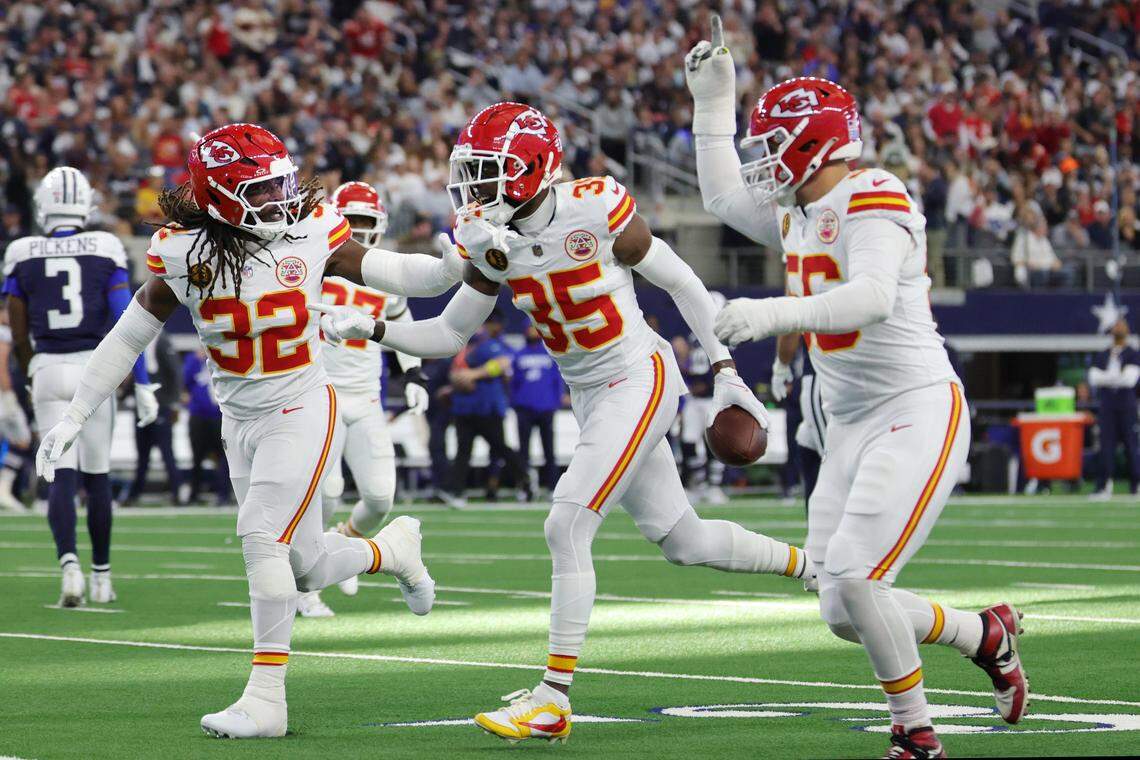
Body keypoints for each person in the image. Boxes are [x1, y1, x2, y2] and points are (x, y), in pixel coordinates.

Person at [313, 102, 811, 745]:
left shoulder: (595, 206)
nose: (474, 188)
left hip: (638, 373)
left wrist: (723, 367)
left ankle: (552, 697)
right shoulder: (494, 241)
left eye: (489, 171)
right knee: (685, 542)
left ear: (531, 168)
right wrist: (377, 329)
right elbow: (448, 331)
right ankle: (812, 566)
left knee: (567, 520)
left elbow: (684, 281)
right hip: (592, 394)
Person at [685, 19, 1028, 756]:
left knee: (854, 575)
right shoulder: (799, 206)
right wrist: (713, 101)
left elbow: (870, 296)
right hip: (847, 421)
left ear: (813, 143)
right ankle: (982, 633)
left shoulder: (877, 195)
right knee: (841, 604)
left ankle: (915, 732)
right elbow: (717, 197)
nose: (761, 163)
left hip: (915, 408)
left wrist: (770, 312)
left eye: (772, 145)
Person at [34, 125, 437, 739]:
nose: (280, 198)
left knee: (259, 537)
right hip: (238, 419)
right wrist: (76, 414)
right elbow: (128, 335)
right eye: (262, 188)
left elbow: (400, 273)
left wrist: (462, 261)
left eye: (281, 181)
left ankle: (265, 701)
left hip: (302, 404)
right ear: (220, 197)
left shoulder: (310, 229)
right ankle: (391, 551)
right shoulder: (183, 252)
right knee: (301, 566)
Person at [4, 166, 160, 606]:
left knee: (61, 476)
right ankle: (101, 578)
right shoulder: (106, 246)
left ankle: (69, 567)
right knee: (98, 475)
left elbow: (17, 331)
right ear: (85, 205)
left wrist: (31, 371)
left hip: (49, 367)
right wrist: (144, 382)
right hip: (95, 369)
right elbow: (128, 322)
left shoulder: (21, 251)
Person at [301, 180, 430, 617]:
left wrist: (414, 373)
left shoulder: (383, 275)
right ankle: (307, 586)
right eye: (350, 220)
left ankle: (348, 541)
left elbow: (402, 325)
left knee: (379, 497)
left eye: (365, 222)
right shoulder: (314, 263)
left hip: (368, 397)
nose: (356, 229)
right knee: (329, 490)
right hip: (325, 394)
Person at [445, 309, 532, 505]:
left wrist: (473, 375)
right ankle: (457, 492)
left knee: (500, 448)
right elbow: (454, 370)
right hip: (464, 406)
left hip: (487, 408)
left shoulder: (492, 345)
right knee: (463, 451)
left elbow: (502, 364)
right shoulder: (464, 345)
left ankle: (525, 480)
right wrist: (457, 380)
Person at [123, 332, 183, 506]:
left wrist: (173, 403)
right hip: (142, 407)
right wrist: (124, 394)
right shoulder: (141, 342)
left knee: (166, 453)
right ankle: (135, 494)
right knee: (142, 455)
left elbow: (175, 373)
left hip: (160, 406)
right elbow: (136, 374)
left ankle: (177, 492)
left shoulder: (162, 342)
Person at [1088, 318, 1140, 499]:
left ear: (1127, 330)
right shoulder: (1103, 354)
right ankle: (1103, 486)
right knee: (1106, 448)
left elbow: (1130, 380)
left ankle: (1136, 486)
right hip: (1107, 407)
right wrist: (1116, 377)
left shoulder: (1133, 354)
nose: (1119, 328)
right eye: (1116, 325)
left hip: (1127, 407)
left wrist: (1108, 377)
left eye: (1122, 325)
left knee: (1131, 447)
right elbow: (1093, 378)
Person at [511, 325, 566, 493]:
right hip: (524, 408)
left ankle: (553, 488)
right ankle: (525, 488)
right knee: (523, 452)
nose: (532, 332)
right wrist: (515, 403)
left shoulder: (550, 353)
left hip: (546, 408)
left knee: (549, 450)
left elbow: (558, 380)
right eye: (529, 328)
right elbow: (514, 383)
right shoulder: (518, 354)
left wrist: (555, 401)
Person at [183, 348, 230, 505]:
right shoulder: (194, 359)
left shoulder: (224, 356)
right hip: (198, 416)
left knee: (223, 457)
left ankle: (223, 494)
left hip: (219, 415)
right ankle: (194, 495)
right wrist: (197, 359)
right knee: (197, 457)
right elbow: (185, 379)